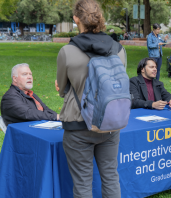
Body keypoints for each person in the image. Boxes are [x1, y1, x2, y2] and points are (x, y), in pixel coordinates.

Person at [55, 0, 126, 197]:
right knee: (111, 177)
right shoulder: (119, 49)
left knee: (83, 185)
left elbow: (62, 90)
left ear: (76, 19)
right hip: (110, 122)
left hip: (78, 125)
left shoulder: (67, 51)